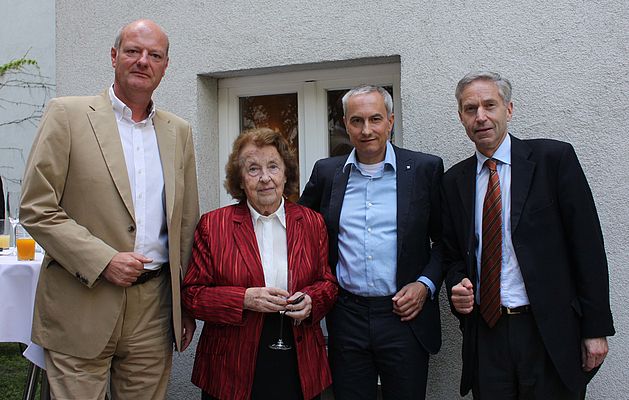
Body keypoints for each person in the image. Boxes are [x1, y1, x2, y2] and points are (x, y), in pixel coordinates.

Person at [19, 19, 199, 399]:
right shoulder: (67, 115)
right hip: (81, 301)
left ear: (166, 66)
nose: (143, 61)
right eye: (133, 51)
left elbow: (185, 223)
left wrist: (184, 304)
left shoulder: (179, 132)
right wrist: (103, 260)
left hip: (154, 310)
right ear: (114, 56)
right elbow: (37, 207)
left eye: (155, 55)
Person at [442, 71, 615, 399]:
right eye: (470, 109)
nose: (481, 116)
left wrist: (595, 329)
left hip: (548, 331)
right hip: (487, 335)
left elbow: (587, 247)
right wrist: (457, 283)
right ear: (461, 117)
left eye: (490, 105)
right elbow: (452, 255)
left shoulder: (553, 160)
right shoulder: (454, 182)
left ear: (508, 110)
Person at [299, 85, 443, 400]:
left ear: (390, 121)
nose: (366, 130)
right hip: (346, 315)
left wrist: (425, 285)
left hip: (404, 316)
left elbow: (445, 241)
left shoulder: (424, 169)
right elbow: (299, 230)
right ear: (345, 124)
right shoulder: (327, 173)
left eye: (375, 119)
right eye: (357, 121)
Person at [182, 127, 338, 400]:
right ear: (240, 180)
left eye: (273, 167)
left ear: (286, 174)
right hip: (230, 364)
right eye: (253, 169)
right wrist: (244, 299)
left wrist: (312, 300)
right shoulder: (213, 225)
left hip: (299, 356)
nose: (265, 177)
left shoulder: (312, 222)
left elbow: (328, 283)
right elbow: (193, 296)